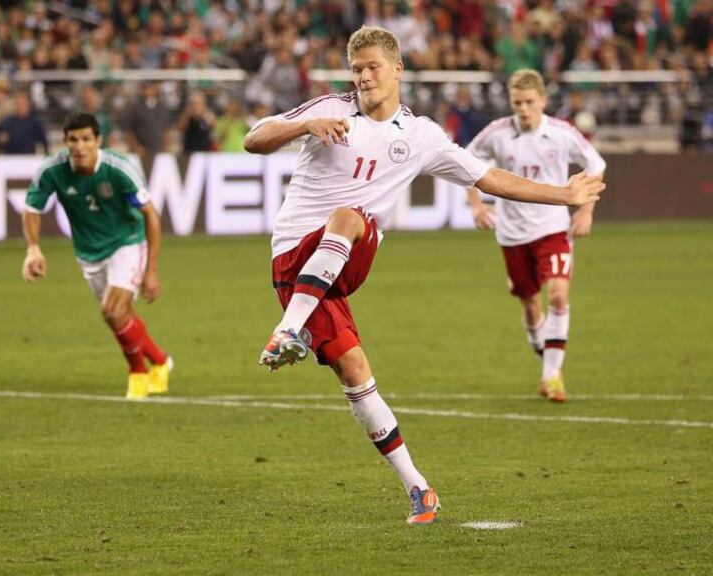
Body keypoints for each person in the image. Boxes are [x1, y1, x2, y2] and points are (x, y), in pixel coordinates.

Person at [243, 27, 603, 525]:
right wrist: (305, 128)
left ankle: (289, 330)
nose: (364, 77)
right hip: (293, 264)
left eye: (372, 67)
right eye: (356, 69)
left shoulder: (421, 136)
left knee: (350, 216)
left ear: (396, 70)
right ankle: (420, 488)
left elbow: (488, 177)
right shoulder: (328, 108)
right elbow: (254, 139)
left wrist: (562, 195)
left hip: (346, 249)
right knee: (356, 376)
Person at [465, 69, 606, 403]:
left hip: (553, 228)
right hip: (512, 233)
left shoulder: (562, 133)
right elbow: (465, 162)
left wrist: (585, 210)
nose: (524, 109)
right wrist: (475, 204)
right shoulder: (497, 134)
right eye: (517, 103)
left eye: (529, 102)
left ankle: (552, 376)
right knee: (530, 305)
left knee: (558, 295)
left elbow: (595, 164)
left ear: (543, 100)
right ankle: (550, 367)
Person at [21, 112, 172, 400]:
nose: (79, 146)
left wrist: (151, 271)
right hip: (89, 252)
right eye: (73, 140)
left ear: (98, 141)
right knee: (120, 315)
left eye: (86, 139)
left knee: (112, 311)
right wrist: (33, 248)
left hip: (127, 242)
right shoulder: (52, 170)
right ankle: (161, 362)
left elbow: (151, 215)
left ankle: (137, 373)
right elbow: (32, 209)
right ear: (65, 142)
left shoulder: (118, 169)